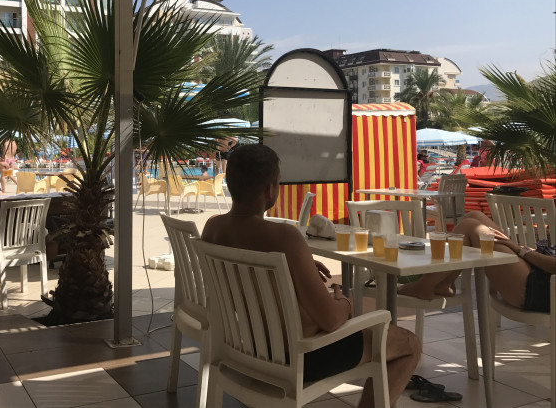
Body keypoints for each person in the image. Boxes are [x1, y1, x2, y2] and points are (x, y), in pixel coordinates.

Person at [201, 144, 421, 408]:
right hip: (297, 358)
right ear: (270, 190)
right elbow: (330, 320)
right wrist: (344, 302)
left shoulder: (213, 228)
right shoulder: (284, 236)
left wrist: (297, 265)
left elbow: (250, 270)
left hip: (246, 348)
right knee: (409, 344)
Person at [398, 211, 555, 312]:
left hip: (543, 288)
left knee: (469, 226)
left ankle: (425, 285)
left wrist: (521, 251)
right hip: (541, 271)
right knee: (474, 216)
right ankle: (443, 283)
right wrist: (525, 251)